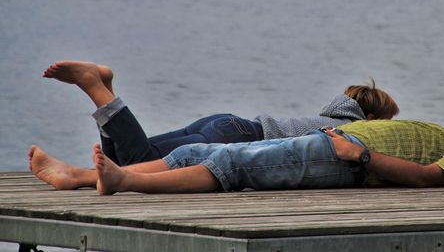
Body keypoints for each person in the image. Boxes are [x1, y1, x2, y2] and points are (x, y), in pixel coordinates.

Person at [29, 89, 444, 194]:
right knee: (198, 154)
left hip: (340, 158)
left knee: (234, 168)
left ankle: (121, 179)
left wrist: (359, 154)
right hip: (330, 142)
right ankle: (80, 175)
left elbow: (429, 179)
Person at [42, 61, 399, 166]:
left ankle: (104, 87)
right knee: (140, 160)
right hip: (235, 139)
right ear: (375, 121)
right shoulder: (351, 132)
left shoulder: (330, 118)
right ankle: (94, 85)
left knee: (124, 162)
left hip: (227, 124)